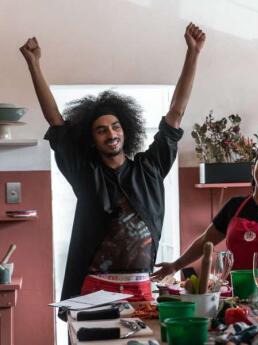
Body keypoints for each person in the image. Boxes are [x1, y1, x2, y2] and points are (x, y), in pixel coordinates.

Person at [19, 23, 206, 309]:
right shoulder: (84, 172)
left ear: (125, 131)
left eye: (115, 127)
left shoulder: (150, 168)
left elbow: (176, 113)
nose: (111, 134)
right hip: (94, 289)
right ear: (92, 139)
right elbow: (55, 120)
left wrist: (192, 54)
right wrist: (34, 64)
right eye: (101, 130)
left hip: (141, 288)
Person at [153, 144, 258, 295]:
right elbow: (206, 241)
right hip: (237, 297)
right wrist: (176, 265)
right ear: (253, 169)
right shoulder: (234, 206)